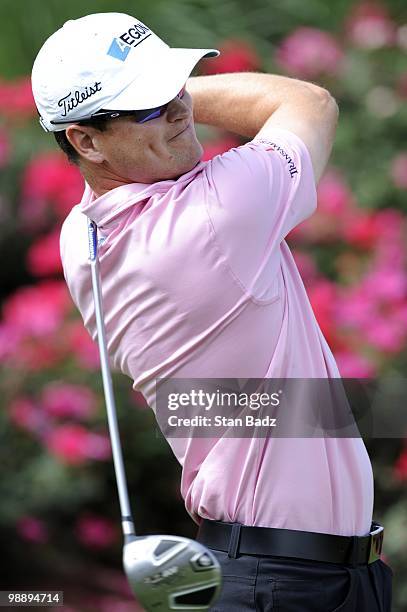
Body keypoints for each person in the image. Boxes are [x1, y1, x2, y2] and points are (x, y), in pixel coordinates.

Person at [31, 12, 393, 611]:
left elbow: (104, 175)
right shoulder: (212, 215)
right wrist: (179, 92)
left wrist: (145, 99)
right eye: (148, 105)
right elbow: (310, 102)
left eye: (177, 88)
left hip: (275, 573)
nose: (179, 110)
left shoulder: (84, 239)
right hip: (285, 585)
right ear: (86, 141)